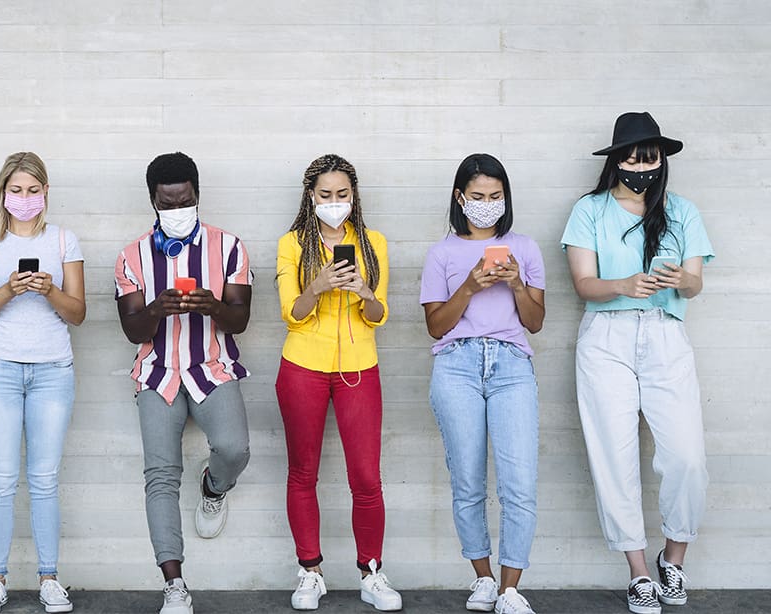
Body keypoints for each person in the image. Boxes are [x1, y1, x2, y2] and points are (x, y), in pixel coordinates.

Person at [561, 112, 712, 614]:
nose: (641, 165)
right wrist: (624, 285)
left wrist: (675, 280)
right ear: (615, 161)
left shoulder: (683, 211)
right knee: (614, 455)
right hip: (606, 337)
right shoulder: (589, 210)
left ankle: (674, 559)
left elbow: (696, 281)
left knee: (686, 456)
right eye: (632, 156)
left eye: (650, 157)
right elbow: (584, 284)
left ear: (662, 160)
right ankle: (640, 572)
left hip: (666, 335)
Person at [114, 152, 252, 614]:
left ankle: (213, 488)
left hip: (212, 368)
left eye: (185, 201)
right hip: (157, 375)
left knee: (235, 449)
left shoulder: (229, 247)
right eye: (167, 203)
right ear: (153, 201)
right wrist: (158, 309)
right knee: (160, 475)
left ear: (197, 194)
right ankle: (174, 583)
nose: (177, 209)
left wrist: (212, 306)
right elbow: (134, 331)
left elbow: (240, 321)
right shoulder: (131, 256)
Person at [420, 154, 545, 614]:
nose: (488, 204)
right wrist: (470, 286)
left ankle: (512, 588)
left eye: (496, 197)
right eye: (478, 197)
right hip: (456, 365)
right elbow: (435, 327)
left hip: (512, 366)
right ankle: (484, 580)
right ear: (460, 198)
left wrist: (515, 285)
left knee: (519, 483)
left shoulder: (525, 249)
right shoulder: (442, 253)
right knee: (468, 481)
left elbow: (535, 322)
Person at [275, 154, 400, 612]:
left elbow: (378, 315)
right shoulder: (292, 244)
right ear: (311, 197)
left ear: (354, 196)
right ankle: (310, 571)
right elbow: (293, 312)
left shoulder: (373, 242)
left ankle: (371, 572)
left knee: (366, 476)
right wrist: (320, 284)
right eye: (325, 195)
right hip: (303, 365)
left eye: (342, 195)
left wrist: (365, 292)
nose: (334, 202)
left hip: (359, 368)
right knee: (302, 471)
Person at [0, 152, 85, 614]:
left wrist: (50, 289)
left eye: (33, 190)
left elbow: (77, 313)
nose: (25, 198)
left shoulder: (64, 240)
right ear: (3, 193)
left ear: (46, 192)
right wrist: (8, 290)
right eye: (16, 190)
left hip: (53, 370)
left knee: (45, 478)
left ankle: (49, 579)